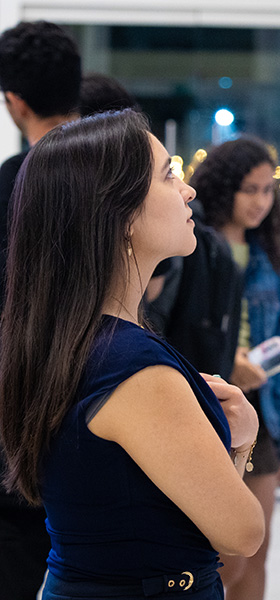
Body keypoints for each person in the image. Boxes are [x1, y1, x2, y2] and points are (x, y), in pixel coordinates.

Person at [0, 110, 265, 600]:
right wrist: (240, 440)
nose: (188, 191)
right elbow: (240, 532)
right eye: (168, 175)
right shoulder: (133, 369)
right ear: (118, 215)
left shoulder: (67, 339)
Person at [191, 137, 280, 600]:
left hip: (263, 407)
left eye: (267, 190)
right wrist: (227, 363)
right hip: (211, 405)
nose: (260, 201)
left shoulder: (265, 260)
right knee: (223, 560)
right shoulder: (191, 247)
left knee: (259, 551)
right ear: (224, 188)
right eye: (249, 189)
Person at [0, 19, 81, 599]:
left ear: (14, 102)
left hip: (15, 430)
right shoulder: (125, 179)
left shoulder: (12, 183)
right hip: (108, 412)